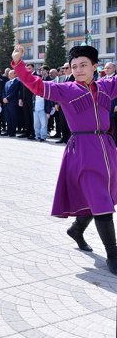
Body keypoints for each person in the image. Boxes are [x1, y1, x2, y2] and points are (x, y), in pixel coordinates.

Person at [12, 43, 117, 275]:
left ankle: (76, 230)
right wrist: (18, 64)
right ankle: (113, 254)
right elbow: (37, 86)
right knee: (101, 202)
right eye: (74, 66)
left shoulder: (108, 86)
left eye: (83, 65)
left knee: (102, 198)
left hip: (108, 150)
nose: (78, 69)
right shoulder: (66, 89)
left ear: (95, 66)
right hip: (83, 151)